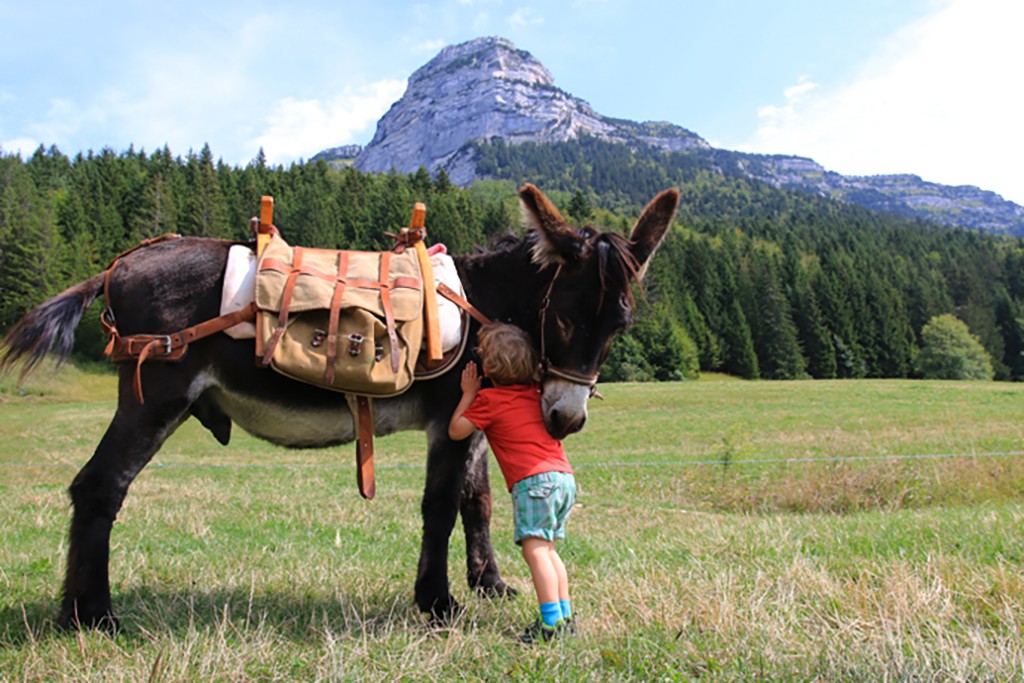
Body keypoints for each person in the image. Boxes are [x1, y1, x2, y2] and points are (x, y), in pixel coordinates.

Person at [448, 322, 577, 643]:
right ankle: (565, 617)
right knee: (548, 551)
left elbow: (456, 431)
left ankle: (549, 624)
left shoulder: (490, 401)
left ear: (488, 368)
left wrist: (468, 395)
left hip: (534, 484)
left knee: (535, 552)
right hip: (563, 478)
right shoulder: (537, 393)